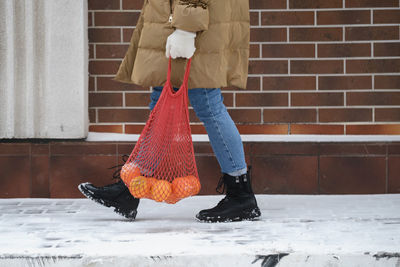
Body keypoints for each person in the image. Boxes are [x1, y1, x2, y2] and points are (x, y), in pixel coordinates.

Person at [78, 0, 261, 223]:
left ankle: (241, 196)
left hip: (190, 30)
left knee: (208, 105)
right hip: (179, 25)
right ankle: (129, 189)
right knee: (161, 103)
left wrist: (186, 28)